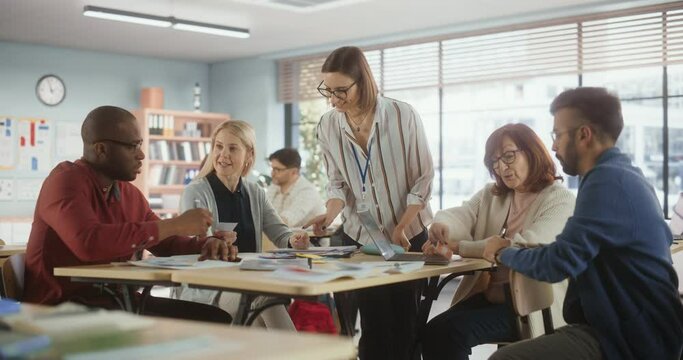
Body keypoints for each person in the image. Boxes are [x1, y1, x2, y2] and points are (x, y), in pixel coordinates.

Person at [485, 87, 683, 360]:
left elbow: (557, 263)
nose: (553, 146)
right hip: (645, 326)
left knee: (504, 359)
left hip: (631, 337)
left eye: (557, 135)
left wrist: (503, 252)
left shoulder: (606, 182)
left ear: (583, 135)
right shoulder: (628, 175)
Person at [24, 106, 235, 323]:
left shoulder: (129, 193)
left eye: (140, 145)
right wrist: (175, 225)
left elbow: (166, 244)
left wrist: (206, 245)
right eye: (132, 146)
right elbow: (88, 242)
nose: (141, 155)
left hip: (116, 303)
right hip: (61, 311)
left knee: (215, 319)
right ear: (101, 149)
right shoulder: (64, 181)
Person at [306, 46, 434, 360]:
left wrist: (402, 226)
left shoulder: (401, 115)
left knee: (405, 327)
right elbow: (338, 182)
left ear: (362, 82)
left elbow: (423, 177)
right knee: (374, 326)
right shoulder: (328, 126)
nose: (332, 99)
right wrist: (329, 214)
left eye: (340, 90)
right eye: (327, 90)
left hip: (408, 235)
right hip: (364, 238)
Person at [420, 123, 575, 360]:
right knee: (432, 331)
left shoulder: (560, 200)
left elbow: (524, 247)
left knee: (448, 333)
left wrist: (461, 247)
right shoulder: (493, 194)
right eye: (494, 161)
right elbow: (461, 215)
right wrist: (442, 228)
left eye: (509, 156)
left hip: (534, 307)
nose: (502, 167)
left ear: (532, 151)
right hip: (492, 297)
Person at [173, 120, 310, 330]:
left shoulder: (254, 192)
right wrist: (214, 243)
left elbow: (281, 234)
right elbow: (190, 246)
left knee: (262, 312)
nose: (223, 154)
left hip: (245, 286)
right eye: (218, 146)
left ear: (249, 154)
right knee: (264, 295)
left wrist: (295, 239)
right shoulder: (196, 191)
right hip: (206, 289)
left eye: (232, 148)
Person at [267, 148, 325, 228]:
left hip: (310, 239)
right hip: (282, 238)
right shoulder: (275, 186)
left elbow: (286, 221)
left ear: (294, 171)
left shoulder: (307, 191)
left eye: (278, 170)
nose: (272, 174)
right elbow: (263, 214)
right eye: (272, 168)